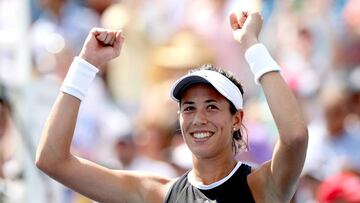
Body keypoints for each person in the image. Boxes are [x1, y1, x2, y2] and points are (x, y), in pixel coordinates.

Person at [36, 11, 308, 203]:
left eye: (211, 106)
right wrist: (85, 64)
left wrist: (251, 44)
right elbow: (52, 160)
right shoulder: (157, 193)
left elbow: (295, 137)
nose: (199, 118)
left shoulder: (261, 186)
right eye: (188, 107)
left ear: (237, 119)